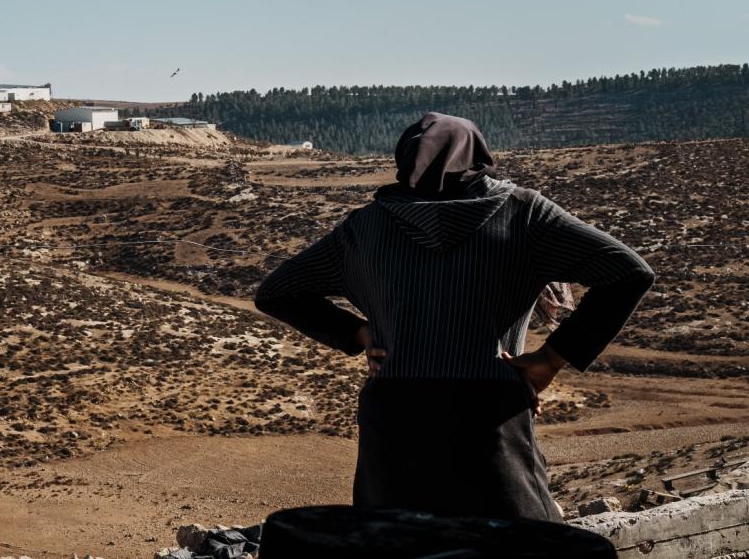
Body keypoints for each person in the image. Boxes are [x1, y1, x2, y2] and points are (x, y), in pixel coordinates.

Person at [254, 112, 654, 521]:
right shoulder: (524, 214)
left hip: (395, 413)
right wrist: (551, 359)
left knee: (395, 543)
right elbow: (629, 272)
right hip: (491, 410)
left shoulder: (365, 227)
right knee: (519, 545)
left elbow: (277, 293)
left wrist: (359, 332)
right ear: (478, 154)